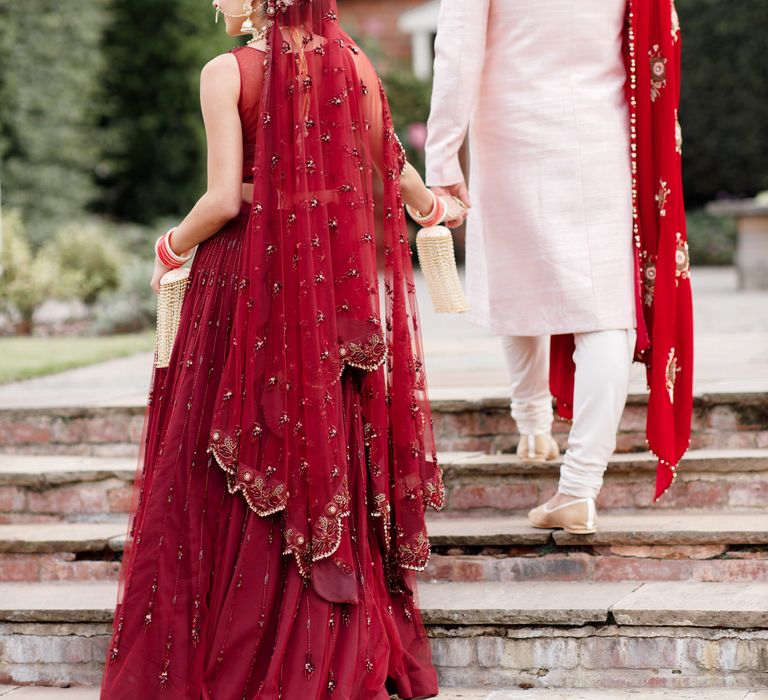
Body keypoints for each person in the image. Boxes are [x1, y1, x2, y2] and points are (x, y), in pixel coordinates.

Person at [100, 1, 466, 697]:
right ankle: (322, 637)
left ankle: (234, 645)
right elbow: (397, 174)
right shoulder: (355, 64)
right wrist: (439, 210)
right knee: (318, 446)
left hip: (243, 284)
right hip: (328, 287)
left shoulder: (227, 73)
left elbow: (221, 202)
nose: (215, 2)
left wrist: (167, 247)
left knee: (228, 446)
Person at [425, 0, 693, 534]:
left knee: (514, 277)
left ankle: (533, 424)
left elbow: (457, 51)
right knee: (605, 309)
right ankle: (578, 484)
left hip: (514, 131)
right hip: (603, 136)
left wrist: (442, 156)